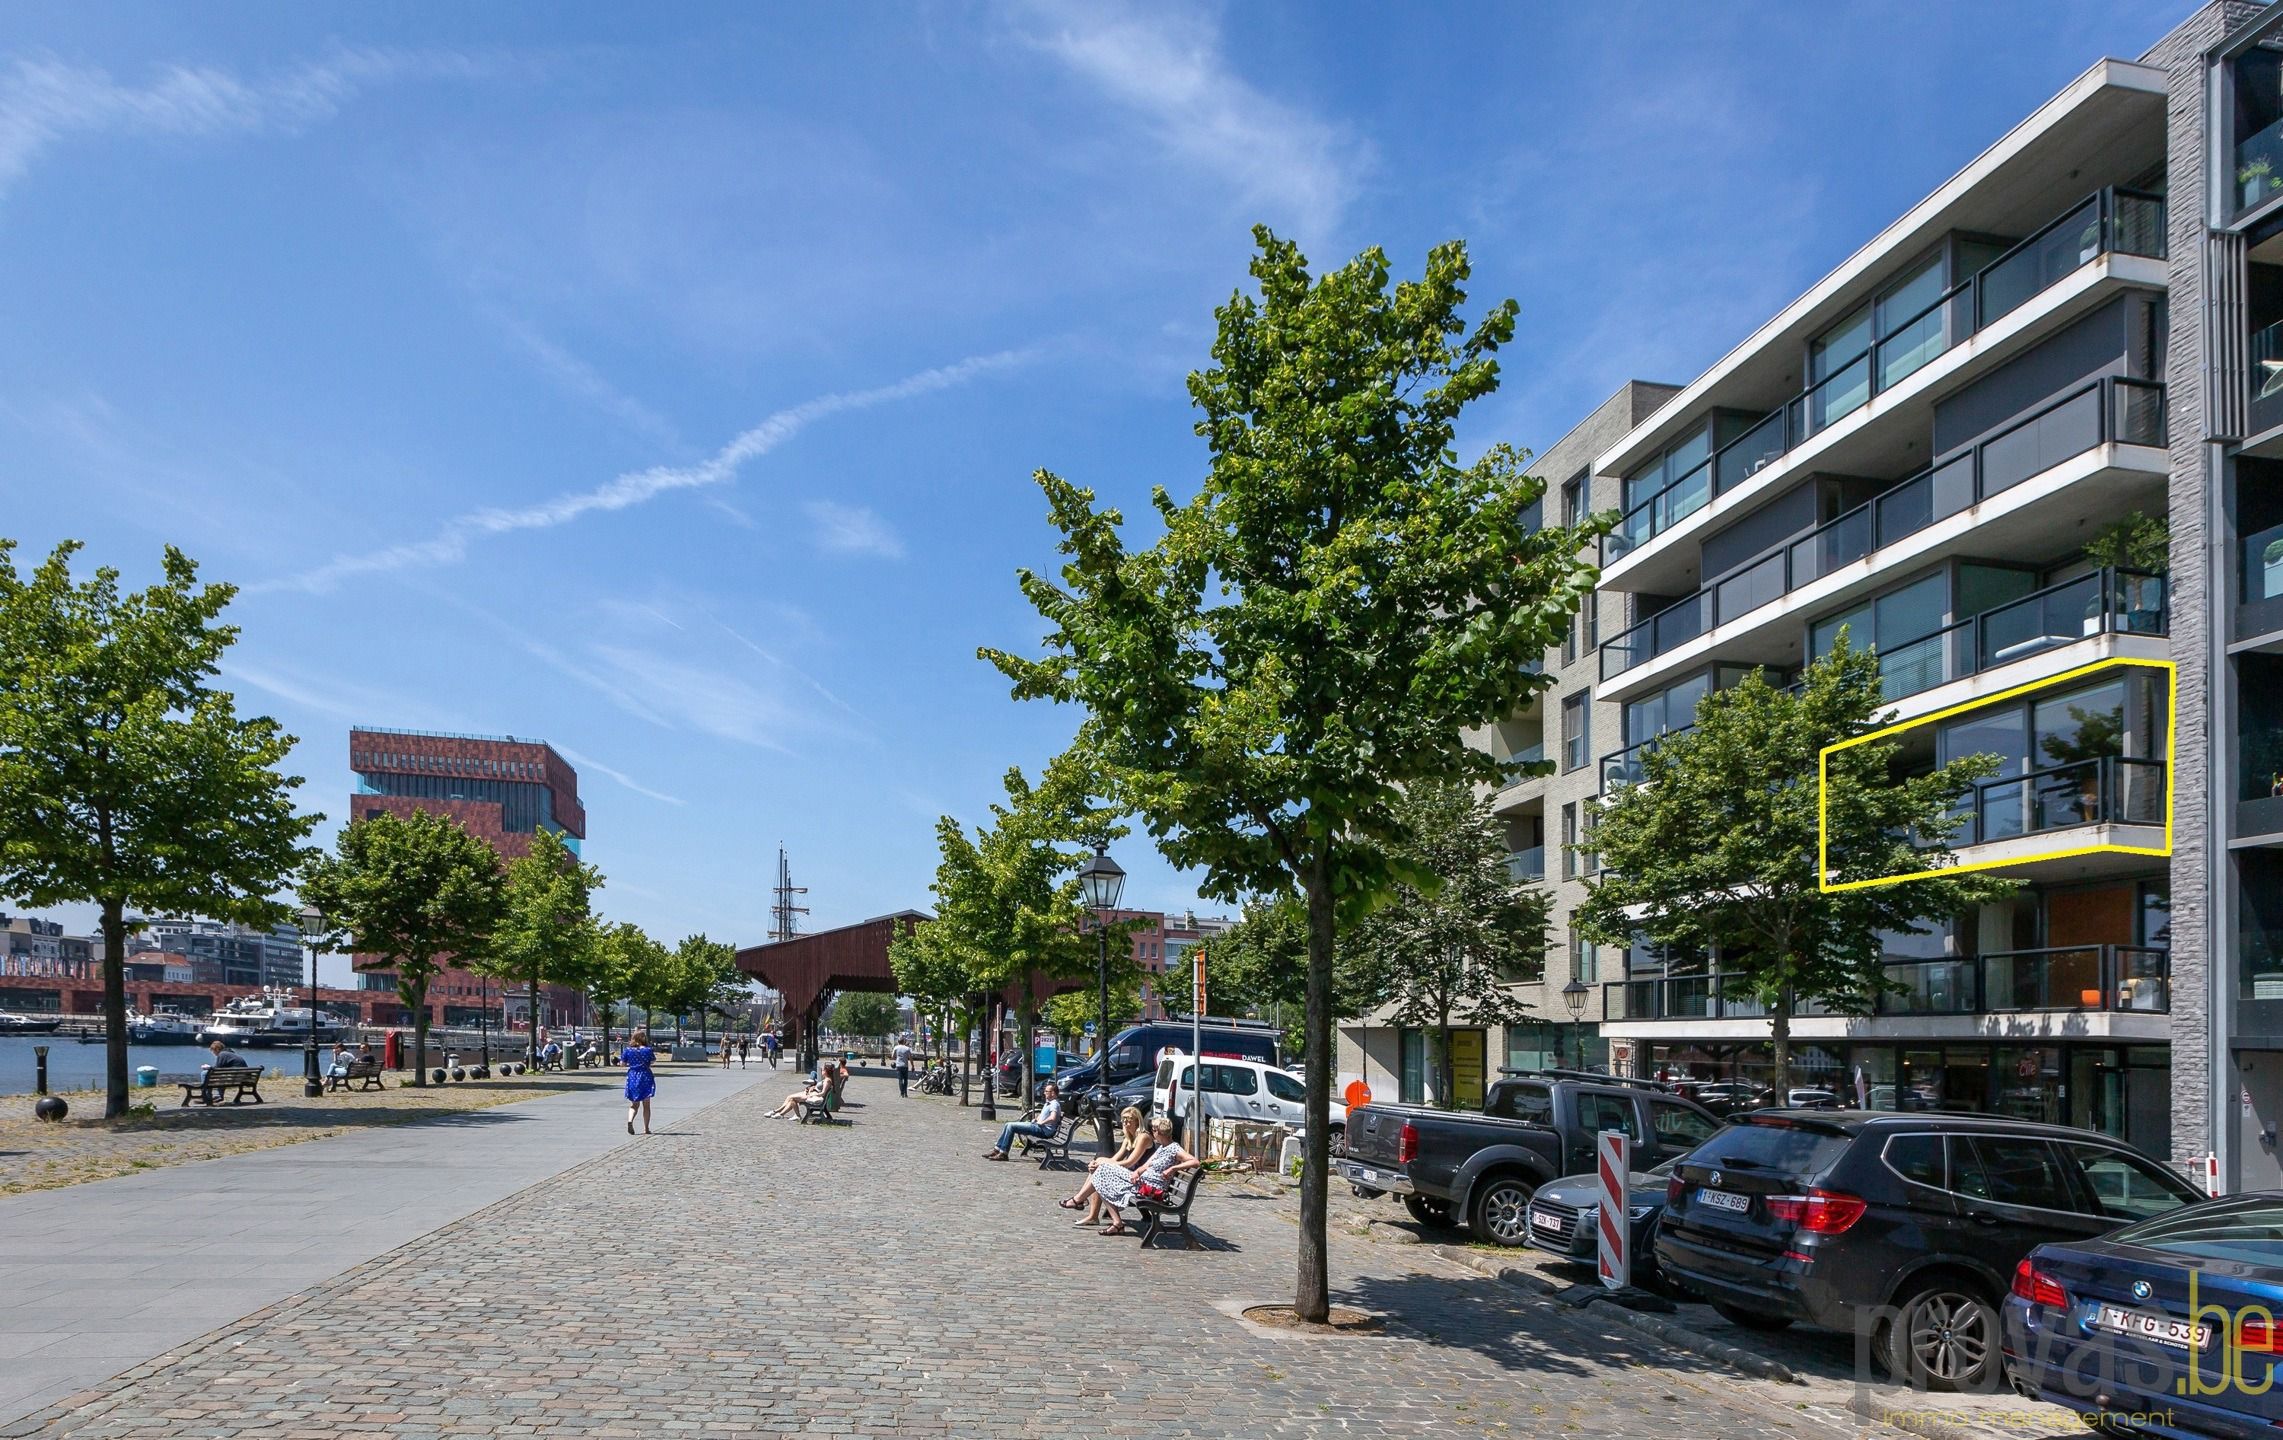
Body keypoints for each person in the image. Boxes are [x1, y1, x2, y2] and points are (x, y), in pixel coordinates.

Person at [1074, 1115, 1201, 1235]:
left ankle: (1080, 1201)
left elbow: (1195, 1162)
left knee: (1102, 1173)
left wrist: (1173, 1168)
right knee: (1102, 1172)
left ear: (1158, 1131)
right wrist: (1138, 1171)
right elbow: (1146, 1165)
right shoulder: (1162, 1147)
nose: (1152, 1132)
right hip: (1140, 1182)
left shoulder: (1174, 1148)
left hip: (1150, 1189)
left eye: (1153, 1130)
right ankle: (1109, 1218)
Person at [1059, 1106, 1152, 1223]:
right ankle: (1089, 1212)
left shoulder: (1143, 1137)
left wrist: (1101, 1164)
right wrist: (1097, 1162)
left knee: (1101, 1172)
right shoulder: (1128, 1138)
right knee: (1099, 1165)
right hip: (1131, 1176)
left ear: (1137, 1121)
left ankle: (1079, 1200)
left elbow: (1129, 1163)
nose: (1126, 1123)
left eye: (1129, 1120)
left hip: (1140, 1179)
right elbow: (1115, 1159)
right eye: (1124, 1120)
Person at [983, 1082, 1062, 1161]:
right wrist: (1037, 1119)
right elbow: (1044, 1115)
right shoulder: (1048, 1103)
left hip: (1043, 1131)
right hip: (1037, 1126)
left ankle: (1004, 1153)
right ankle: (997, 1150)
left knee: (1011, 1126)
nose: (1044, 1093)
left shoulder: (1054, 1104)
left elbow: (1053, 1117)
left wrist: (1042, 1122)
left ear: (1053, 1093)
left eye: (1046, 1091)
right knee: (1007, 1124)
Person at [767, 1058, 842, 1119]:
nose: (821, 1071)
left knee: (790, 1098)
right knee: (791, 1098)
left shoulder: (827, 1081)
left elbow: (823, 1093)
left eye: (822, 1070)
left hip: (813, 1096)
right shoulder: (826, 1079)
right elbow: (820, 1089)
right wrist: (813, 1087)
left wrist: (811, 1095)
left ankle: (778, 1112)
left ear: (825, 1071)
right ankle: (782, 1113)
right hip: (811, 1093)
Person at [622, 1027, 657, 1135]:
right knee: (646, 1105)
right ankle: (646, 1128)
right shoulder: (648, 1050)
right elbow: (653, 1061)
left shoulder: (628, 1050)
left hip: (633, 1076)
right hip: (645, 1076)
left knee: (634, 1104)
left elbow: (622, 1064)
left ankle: (630, 1120)